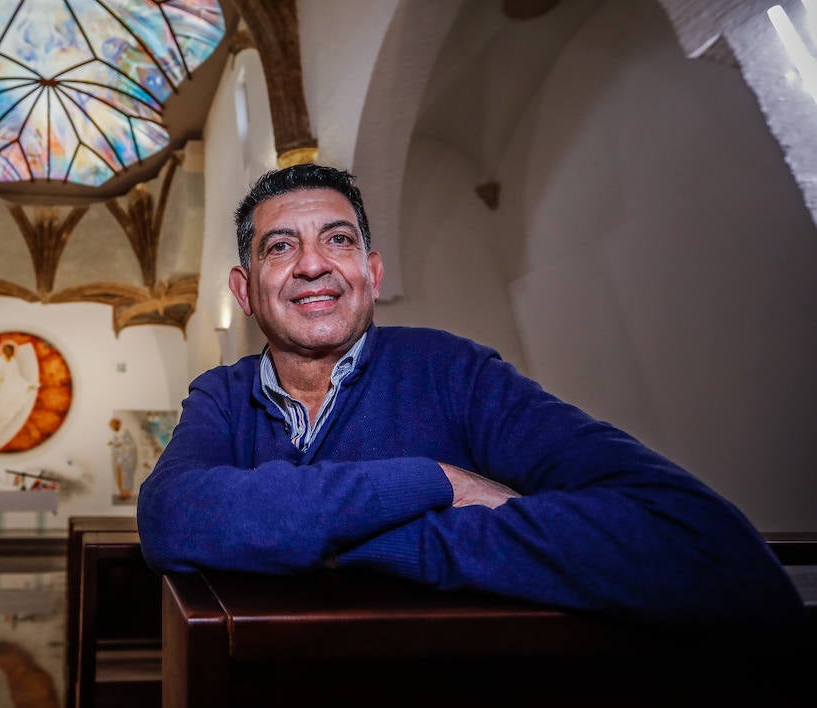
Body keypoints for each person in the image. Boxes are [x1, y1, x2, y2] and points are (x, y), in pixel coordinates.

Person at [137, 163, 802, 625]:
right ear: (246, 291)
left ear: (370, 274)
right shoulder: (222, 396)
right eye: (280, 247)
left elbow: (703, 547)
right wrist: (438, 482)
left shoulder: (450, 371)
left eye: (337, 240)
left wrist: (337, 547)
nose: (314, 263)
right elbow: (172, 519)